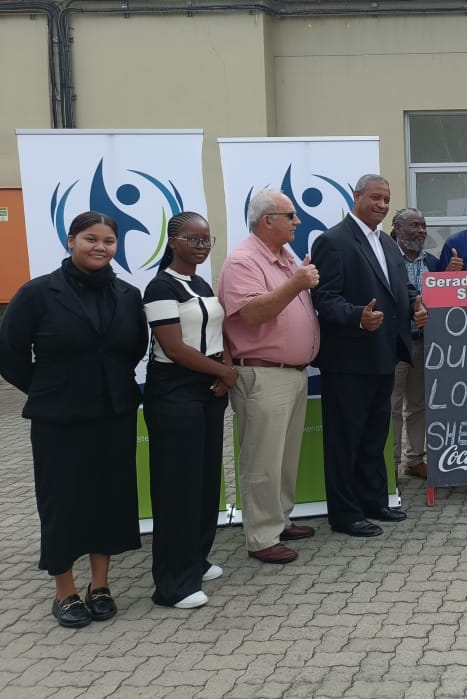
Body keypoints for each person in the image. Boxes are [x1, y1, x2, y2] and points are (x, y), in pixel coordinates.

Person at [0, 211, 148, 629]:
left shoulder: (127, 293)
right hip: (58, 418)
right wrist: (46, 388)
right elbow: (9, 353)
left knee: (109, 498)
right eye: (90, 239)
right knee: (62, 501)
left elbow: (134, 346)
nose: (100, 247)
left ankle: (99, 585)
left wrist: (108, 382)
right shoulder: (37, 293)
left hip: (113, 414)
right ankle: (64, 590)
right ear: (70, 241)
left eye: (108, 241)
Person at [310, 175, 425, 537]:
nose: (382, 204)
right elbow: (324, 299)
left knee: (375, 437)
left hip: (384, 356)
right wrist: (357, 316)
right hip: (348, 360)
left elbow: (400, 286)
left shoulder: (387, 242)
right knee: (345, 440)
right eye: (375, 197)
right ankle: (345, 514)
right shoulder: (333, 240)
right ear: (356, 196)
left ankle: (375, 500)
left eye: (387, 199)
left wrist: (416, 303)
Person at [219, 189, 320, 565]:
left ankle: (279, 518)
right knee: (262, 459)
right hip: (262, 374)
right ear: (267, 220)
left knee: (285, 456)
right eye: (290, 215)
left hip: (293, 373)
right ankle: (261, 536)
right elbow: (251, 315)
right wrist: (297, 284)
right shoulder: (243, 261)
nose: (297, 221)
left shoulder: (284, 256)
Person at [142, 212, 235, 610]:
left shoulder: (198, 282)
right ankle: (172, 584)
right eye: (193, 240)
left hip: (209, 386)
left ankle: (196, 558)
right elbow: (175, 348)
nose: (201, 247)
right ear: (173, 240)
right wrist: (225, 373)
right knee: (177, 486)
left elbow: (218, 332)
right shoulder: (160, 286)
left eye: (206, 241)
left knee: (204, 479)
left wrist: (223, 369)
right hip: (175, 391)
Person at [389, 208, 437, 481]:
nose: (421, 231)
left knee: (418, 405)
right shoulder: (386, 259)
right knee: (392, 406)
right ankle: (391, 464)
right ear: (396, 229)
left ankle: (414, 459)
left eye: (423, 225)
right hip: (396, 343)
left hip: (423, 343)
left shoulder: (431, 261)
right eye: (414, 226)